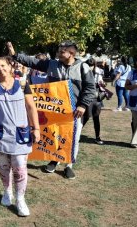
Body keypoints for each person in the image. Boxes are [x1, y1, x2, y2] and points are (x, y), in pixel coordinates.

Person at [8, 40, 96, 179]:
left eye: (62, 52)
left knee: (73, 137)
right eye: (58, 51)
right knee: (55, 135)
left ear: (71, 53)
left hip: (74, 111)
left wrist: (83, 105)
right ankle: (54, 160)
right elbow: (32, 62)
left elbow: (90, 89)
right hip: (55, 109)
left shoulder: (82, 67)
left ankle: (68, 165)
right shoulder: (52, 64)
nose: (59, 54)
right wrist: (15, 55)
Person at [0, 56, 40, 216]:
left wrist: (36, 128)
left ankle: (20, 199)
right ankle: (7, 192)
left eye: (3, 65)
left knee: (20, 167)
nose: (0, 69)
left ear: (10, 66)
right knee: (3, 165)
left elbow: (31, 107)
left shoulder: (22, 84)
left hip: (20, 134)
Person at [83, 58, 105, 145]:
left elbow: (101, 83)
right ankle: (75, 135)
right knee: (85, 117)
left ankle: (98, 137)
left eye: (91, 65)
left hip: (97, 98)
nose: (90, 67)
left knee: (96, 117)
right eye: (89, 65)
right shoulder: (83, 72)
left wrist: (102, 84)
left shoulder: (98, 72)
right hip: (87, 98)